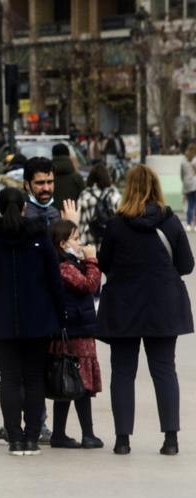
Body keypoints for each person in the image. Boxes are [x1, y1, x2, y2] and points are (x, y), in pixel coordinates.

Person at [97, 164, 194, 456]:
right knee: (164, 370)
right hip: (163, 306)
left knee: (123, 372)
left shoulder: (116, 224)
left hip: (124, 307)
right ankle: (171, 439)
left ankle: (123, 440)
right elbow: (187, 265)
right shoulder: (171, 222)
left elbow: (104, 264)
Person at [0, 187, 65, 456]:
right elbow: (54, 278)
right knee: (34, 378)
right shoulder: (39, 233)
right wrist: (59, 313)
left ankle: (14, 438)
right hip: (39, 319)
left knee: (9, 378)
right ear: (24, 207)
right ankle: (32, 438)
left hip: (1, 321)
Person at [47, 219, 104, 449]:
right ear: (62, 244)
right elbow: (88, 286)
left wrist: (86, 261)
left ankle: (59, 434)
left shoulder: (71, 263)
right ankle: (87, 434)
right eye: (75, 238)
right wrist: (92, 259)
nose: (80, 243)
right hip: (74, 333)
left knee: (70, 383)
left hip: (76, 329)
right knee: (77, 384)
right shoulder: (64, 267)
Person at [77, 163, 120, 248]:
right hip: (110, 246)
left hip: (90, 246)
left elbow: (81, 224)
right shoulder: (115, 195)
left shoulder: (85, 195)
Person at [182, 144, 196, 230]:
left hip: (187, 185)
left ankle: (188, 224)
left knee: (190, 205)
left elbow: (181, 174)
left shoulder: (183, 161)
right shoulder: (195, 160)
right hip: (195, 184)